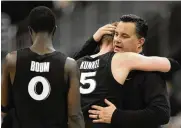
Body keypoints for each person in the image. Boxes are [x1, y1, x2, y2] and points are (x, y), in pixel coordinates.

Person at [76, 14, 180, 128]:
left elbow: (162, 114)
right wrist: (93, 40)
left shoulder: (150, 71)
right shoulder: (108, 65)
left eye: (124, 36)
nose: (117, 40)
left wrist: (117, 115)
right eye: (116, 34)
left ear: (140, 42)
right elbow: (72, 66)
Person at [1, 6, 84, 128]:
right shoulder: (69, 65)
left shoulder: (11, 60)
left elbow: (4, 105)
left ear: (30, 31)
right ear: (54, 31)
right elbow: (75, 116)